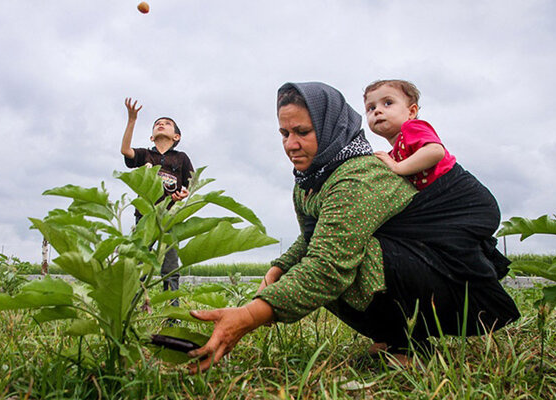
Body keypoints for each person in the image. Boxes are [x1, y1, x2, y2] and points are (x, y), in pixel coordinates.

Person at [186, 82, 519, 372]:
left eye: (303, 132)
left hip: (446, 275)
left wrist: (248, 317)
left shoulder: (357, 175)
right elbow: (311, 236)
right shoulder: (309, 181)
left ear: (330, 127)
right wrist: (279, 267)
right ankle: (397, 339)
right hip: (414, 264)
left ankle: (412, 345)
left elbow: (328, 265)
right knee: (314, 261)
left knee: (348, 261)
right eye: (285, 134)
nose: (291, 144)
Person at [121, 98, 194, 302]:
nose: (161, 124)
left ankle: (172, 313)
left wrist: (185, 193)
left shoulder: (181, 158)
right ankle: (132, 307)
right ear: (152, 137)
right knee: (139, 265)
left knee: (170, 268)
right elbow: (126, 151)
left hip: (170, 218)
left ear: (177, 136)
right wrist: (132, 119)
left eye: (167, 123)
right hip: (144, 218)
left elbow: (192, 181)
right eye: (157, 123)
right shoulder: (145, 155)